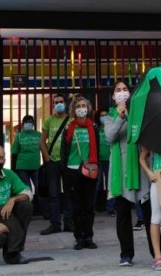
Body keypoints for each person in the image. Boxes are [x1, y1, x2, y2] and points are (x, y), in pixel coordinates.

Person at [106, 81, 154, 266]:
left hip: (141, 167)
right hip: (121, 172)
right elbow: (110, 136)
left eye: (125, 89)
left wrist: (130, 116)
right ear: (113, 96)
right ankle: (126, 254)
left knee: (150, 213)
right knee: (123, 214)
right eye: (118, 90)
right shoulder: (109, 117)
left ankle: (157, 251)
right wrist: (120, 117)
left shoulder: (139, 113)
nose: (121, 92)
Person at [61, 95, 100, 250]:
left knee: (89, 206)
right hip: (72, 169)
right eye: (78, 106)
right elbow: (64, 150)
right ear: (74, 110)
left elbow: (96, 147)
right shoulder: (69, 128)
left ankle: (89, 236)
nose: (81, 109)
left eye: (84, 106)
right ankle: (79, 238)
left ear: (88, 108)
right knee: (77, 206)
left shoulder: (94, 127)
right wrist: (64, 170)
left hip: (90, 169)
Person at [40, 94, 73, 235]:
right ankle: (55, 223)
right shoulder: (49, 121)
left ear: (65, 103)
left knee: (68, 193)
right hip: (52, 161)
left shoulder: (71, 120)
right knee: (53, 194)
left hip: (68, 161)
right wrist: (47, 158)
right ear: (53, 105)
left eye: (61, 101)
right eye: (56, 102)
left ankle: (69, 222)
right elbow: (42, 141)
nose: (59, 104)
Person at [11, 114, 42, 213]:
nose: (28, 124)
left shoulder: (38, 134)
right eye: (26, 122)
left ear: (33, 124)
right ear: (23, 124)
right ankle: (29, 211)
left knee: (39, 189)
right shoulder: (19, 136)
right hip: (22, 167)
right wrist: (13, 169)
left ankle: (42, 210)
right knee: (27, 190)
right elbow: (14, 154)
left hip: (36, 167)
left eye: (30, 122)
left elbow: (44, 148)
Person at [94, 109, 116, 217]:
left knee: (110, 185)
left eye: (105, 115)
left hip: (110, 160)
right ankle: (92, 207)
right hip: (98, 161)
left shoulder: (111, 129)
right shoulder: (96, 130)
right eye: (101, 115)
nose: (103, 117)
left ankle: (111, 208)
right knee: (96, 185)